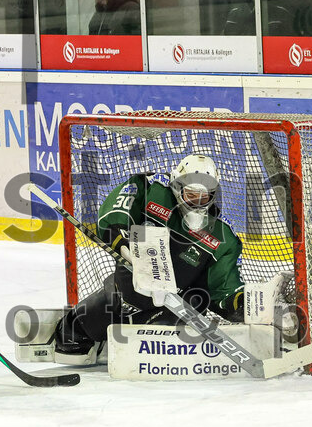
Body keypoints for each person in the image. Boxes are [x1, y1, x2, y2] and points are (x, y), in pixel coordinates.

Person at [52, 154, 247, 363]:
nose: (197, 203)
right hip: (126, 289)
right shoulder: (150, 188)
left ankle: (140, 338)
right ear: (177, 186)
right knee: (70, 339)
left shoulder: (223, 237)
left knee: (195, 302)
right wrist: (123, 245)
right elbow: (115, 214)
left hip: (174, 307)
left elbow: (223, 289)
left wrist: (245, 305)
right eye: (191, 195)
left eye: (204, 197)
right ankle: (99, 328)